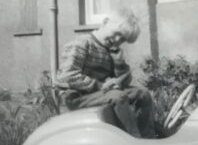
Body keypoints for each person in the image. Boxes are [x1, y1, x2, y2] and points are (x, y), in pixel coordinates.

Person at [55, 9, 156, 138]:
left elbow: (124, 82)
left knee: (143, 93)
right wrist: (101, 85)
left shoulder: (111, 51)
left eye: (122, 39)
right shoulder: (82, 44)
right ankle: (134, 138)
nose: (117, 40)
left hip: (98, 94)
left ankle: (148, 135)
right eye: (117, 33)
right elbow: (67, 76)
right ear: (105, 22)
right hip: (75, 98)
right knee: (117, 96)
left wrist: (119, 63)